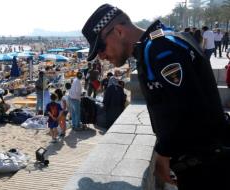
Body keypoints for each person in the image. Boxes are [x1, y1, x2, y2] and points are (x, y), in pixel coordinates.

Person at [82, 4, 230, 189]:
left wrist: (163, 153)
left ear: (119, 31)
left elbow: (187, 107)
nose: (101, 56)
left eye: (101, 48)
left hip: (207, 169)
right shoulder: (162, 41)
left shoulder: (159, 49)